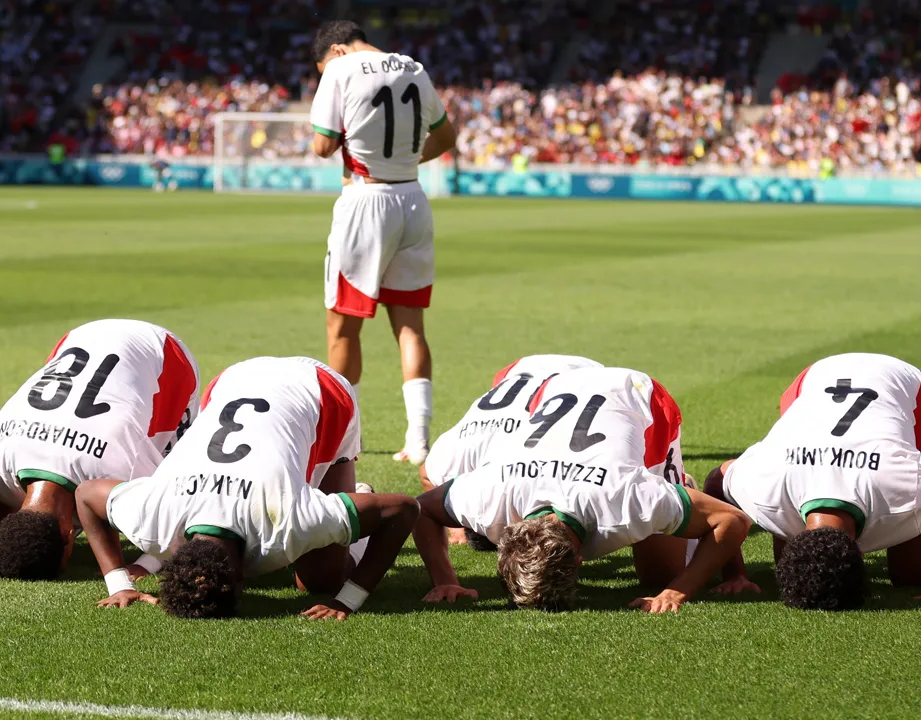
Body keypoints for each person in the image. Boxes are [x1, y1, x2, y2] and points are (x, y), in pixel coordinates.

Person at [73, 356, 418, 619]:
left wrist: (349, 599)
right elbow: (86, 494)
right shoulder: (151, 518)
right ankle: (346, 505)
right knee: (314, 554)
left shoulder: (286, 522)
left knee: (322, 581)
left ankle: (361, 494)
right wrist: (119, 582)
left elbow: (403, 509)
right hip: (232, 378)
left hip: (321, 390)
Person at [413, 366, 750, 613]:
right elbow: (422, 507)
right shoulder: (489, 496)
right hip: (556, 387)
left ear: (579, 560)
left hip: (637, 395)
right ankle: (678, 497)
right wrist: (446, 580)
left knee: (661, 574)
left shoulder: (625, 501)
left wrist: (678, 591)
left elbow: (732, 520)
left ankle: (680, 485)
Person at [705, 353, 921, 609]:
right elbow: (715, 481)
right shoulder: (765, 487)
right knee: (798, 569)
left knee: (917, 575)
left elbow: (716, 482)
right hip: (812, 382)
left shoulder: (908, 490)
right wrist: (735, 574)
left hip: (910, 389)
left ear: (861, 555)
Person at [309, 20, 459, 465]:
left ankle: (340, 442)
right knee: (410, 325)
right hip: (413, 198)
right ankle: (418, 441)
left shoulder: (340, 70)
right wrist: (406, 159)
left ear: (335, 50)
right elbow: (446, 136)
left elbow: (322, 145)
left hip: (365, 199)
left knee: (343, 326)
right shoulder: (414, 66)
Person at [0, 319, 199, 580]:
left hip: (164, 354)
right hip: (81, 336)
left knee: (173, 465)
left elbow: (180, 511)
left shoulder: (126, 469)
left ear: (68, 535)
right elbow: (6, 498)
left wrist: (146, 564)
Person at [421, 354, 604, 546]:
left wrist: (456, 531)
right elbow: (426, 475)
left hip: (586, 377)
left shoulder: (520, 464)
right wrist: (455, 527)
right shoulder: (452, 458)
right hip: (521, 370)